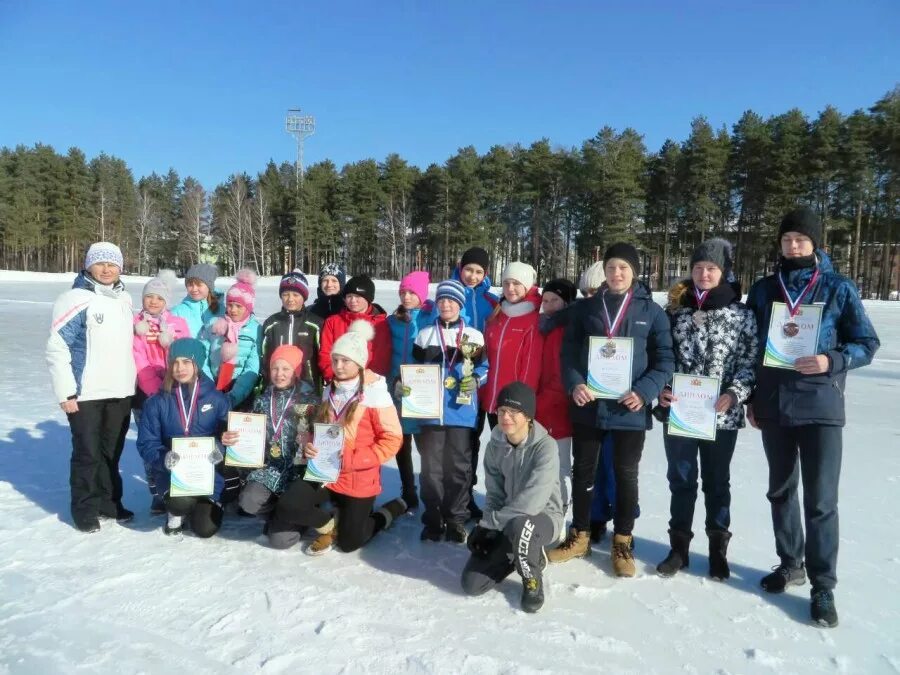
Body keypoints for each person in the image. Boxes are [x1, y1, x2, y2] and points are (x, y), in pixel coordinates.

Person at [746, 207, 880, 628]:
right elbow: (752, 346)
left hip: (821, 405)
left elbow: (866, 343)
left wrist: (831, 359)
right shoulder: (766, 289)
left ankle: (823, 584)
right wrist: (752, 396)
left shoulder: (839, 288)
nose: (793, 246)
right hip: (774, 403)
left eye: (801, 240)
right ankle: (791, 564)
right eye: (787, 240)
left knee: (821, 501)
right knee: (781, 492)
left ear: (815, 243)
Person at [550, 242, 674, 577]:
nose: (616, 273)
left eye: (623, 267)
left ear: (634, 271)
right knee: (584, 471)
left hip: (629, 409)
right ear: (603, 272)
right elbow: (569, 353)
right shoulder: (588, 308)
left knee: (625, 474)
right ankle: (581, 535)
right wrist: (575, 383)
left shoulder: (652, 311)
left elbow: (665, 359)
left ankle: (622, 540)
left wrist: (644, 391)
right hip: (589, 405)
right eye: (610, 268)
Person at [654, 239, 758, 580]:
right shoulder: (675, 311)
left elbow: (750, 361)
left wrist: (734, 392)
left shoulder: (741, 315)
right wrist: (665, 388)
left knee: (716, 482)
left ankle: (717, 550)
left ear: (723, 271)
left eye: (711, 268)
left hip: (720, 415)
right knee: (681, 480)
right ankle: (679, 549)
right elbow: (662, 356)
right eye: (698, 267)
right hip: (681, 414)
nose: (704, 273)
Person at [268, 321, 407, 554]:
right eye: (335, 360)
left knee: (350, 543)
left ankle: (388, 512)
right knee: (287, 505)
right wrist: (311, 444)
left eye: (345, 361)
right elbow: (321, 429)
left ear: (360, 362)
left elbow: (392, 439)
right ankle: (328, 524)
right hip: (325, 471)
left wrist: (352, 459)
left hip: (358, 477)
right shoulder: (329, 389)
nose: (339, 366)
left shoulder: (375, 394)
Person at [46, 242, 136, 532]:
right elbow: (58, 347)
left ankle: (109, 502)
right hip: (85, 394)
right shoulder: (74, 298)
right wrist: (66, 392)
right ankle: (84, 509)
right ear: (88, 266)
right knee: (88, 453)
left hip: (120, 391)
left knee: (112, 453)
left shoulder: (125, 299)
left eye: (112, 264)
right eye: (100, 263)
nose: (107, 269)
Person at [461, 382, 564, 614]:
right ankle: (520, 554)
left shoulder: (545, 447)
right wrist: (489, 529)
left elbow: (532, 504)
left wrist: (488, 523)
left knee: (522, 526)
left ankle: (532, 580)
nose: (506, 417)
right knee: (472, 583)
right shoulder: (495, 445)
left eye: (513, 412)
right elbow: (495, 494)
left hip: (543, 517)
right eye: (501, 411)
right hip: (509, 520)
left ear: (527, 416)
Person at [411, 279, 489, 543]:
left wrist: (476, 379)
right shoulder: (425, 334)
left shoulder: (474, 336)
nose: (446, 304)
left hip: (461, 412)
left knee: (458, 467)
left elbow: (484, 368)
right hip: (431, 412)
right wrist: (405, 385)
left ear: (459, 305)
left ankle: (456, 518)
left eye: (451, 301)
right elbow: (412, 368)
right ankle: (433, 518)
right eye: (442, 300)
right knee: (431, 468)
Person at [136, 338, 231, 537]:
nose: (180, 368)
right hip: (173, 475)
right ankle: (175, 512)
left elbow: (227, 436)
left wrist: (220, 450)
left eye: (187, 362)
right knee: (180, 503)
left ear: (197, 364)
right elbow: (146, 443)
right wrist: (164, 458)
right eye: (175, 363)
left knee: (205, 529)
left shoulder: (217, 399)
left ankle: (209, 504)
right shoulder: (157, 402)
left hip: (207, 473)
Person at [227, 345, 319, 519]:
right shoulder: (262, 400)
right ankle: (278, 515)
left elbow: (319, 435)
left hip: (298, 471)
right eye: (274, 368)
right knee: (248, 501)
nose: (279, 373)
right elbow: (250, 434)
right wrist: (234, 438)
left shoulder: (310, 401)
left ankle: (289, 517)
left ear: (297, 370)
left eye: (286, 368)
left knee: (282, 540)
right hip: (269, 468)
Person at [132, 269, 190, 514]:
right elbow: (138, 357)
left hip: (174, 390)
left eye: (159, 297)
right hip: (147, 394)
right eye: (149, 297)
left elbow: (185, 356)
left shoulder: (177, 324)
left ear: (167, 301)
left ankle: (180, 486)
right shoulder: (136, 324)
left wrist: (170, 345)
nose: (153, 302)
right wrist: (155, 390)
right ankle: (156, 493)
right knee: (151, 444)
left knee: (174, 441)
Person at [452, 246, 499, 520]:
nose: (472, 276)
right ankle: (464, 497)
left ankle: (495, 498)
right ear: (461, 268)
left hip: (488, 381)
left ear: (486, 274)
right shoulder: (449, 296)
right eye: (468, 269)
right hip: (458, 383)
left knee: (495, 443)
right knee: (466, 444)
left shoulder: (492, 302)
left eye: (478, 271)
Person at [578, 260, 622, 543]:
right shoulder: (583, 313)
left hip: (620, 402)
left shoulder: (627, 312)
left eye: (595, 291)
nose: (590, 298)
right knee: (589, 465)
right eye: (585, 293)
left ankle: (622, 519)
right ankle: (594, 517)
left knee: (617, 465)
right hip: (589, 399)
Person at [387, 270, 433, 511]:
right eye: (403, 292)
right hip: (397, 389)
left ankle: (429, 490)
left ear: (422, 294)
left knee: (426, 446)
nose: (406, 297)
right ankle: (408, 489)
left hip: (423, 391)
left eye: (411, 292)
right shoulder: (393, 320)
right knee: (401, 442)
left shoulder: (432, 317)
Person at [480, 262, 544, 429]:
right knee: (497, 449)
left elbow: (531, 367)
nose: (510, 288)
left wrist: (521, 402)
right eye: (506, 283)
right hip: (492, 400)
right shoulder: (498, 314)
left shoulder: (533, 319)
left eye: (516, 283)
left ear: (527, 286)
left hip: (513, 404)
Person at [534, 278, 577, 521]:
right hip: (542, 405)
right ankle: (544, 506)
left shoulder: (564, 328)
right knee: (543, 464)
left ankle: (560, 510)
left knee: (560, 465)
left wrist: (539, 404)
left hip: (556, 408)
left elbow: (559, 376)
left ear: (567, 302)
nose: (548, 305)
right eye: (545, 300)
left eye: (555, 300)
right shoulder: (546, 325)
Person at [199, 269, 263, 409]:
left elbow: (253, 366)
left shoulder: (256, 330)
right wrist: (209, 386)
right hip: (212, 386)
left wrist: (235, 396)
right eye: (230, 305)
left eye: (239, 306)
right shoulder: (214, 324)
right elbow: (202, 354)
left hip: (240, 390)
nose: (233, 310)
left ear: (248, 307)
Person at [318, 274, 391, 382]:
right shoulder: (333, 322)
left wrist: (369, 378)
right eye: (349, 296)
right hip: (339, 381)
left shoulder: (380, 324)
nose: (353, 300)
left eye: (358, 296)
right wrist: (334, 377)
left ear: (368, 298)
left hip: (369, 382)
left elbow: (383, 357)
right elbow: (325, 354)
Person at [260, 269, 323, 392]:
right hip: (277, 384)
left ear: (304, 296)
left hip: (307, 386)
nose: (290, 299)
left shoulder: (315, 324)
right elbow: (264, 357)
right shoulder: (271, 324)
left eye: (295, 295)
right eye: (285, 294)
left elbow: (322, 356)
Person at [170, 263, 224, 337]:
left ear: (209, 286)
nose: (194, 289)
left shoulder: (222, 310)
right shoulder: (177, 312)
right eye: (190, 285)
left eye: (199, 285)